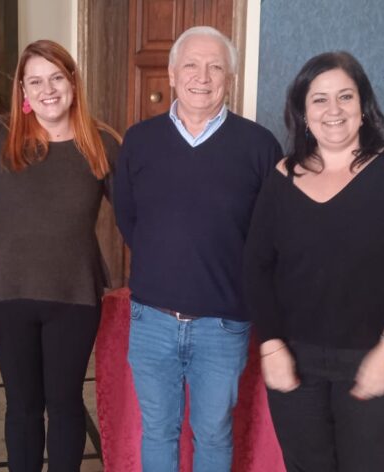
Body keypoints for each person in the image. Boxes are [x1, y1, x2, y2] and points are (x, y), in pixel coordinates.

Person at [242, 51, 384, 471]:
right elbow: (256, 266)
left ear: (363, 106)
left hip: (374, 355)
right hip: (295, 359)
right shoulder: (282, 176)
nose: (333, 110)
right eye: (319, 99)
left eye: (345, 96)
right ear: (303, 112)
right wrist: (271, 343)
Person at [113, 26, 283, 472]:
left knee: (213, 432)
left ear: (230, 78)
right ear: (172, 74)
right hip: (152, 320)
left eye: (215, 67)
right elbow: (128, 218)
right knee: (158, 430)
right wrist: (166, 259)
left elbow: (271, 235)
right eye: (191, 65)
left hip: (223, 325)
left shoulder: (260, 146)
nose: (202, 77)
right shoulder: (139, 140)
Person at [0, 39, 120, 472]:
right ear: (22, 89)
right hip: (6, 295)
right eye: (34, 81)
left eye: (56, 77)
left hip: (75, 296)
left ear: (73, 81)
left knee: (66, 402)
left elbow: (139, 216)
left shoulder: (101, 143)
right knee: (22, 405)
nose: (47, 89)